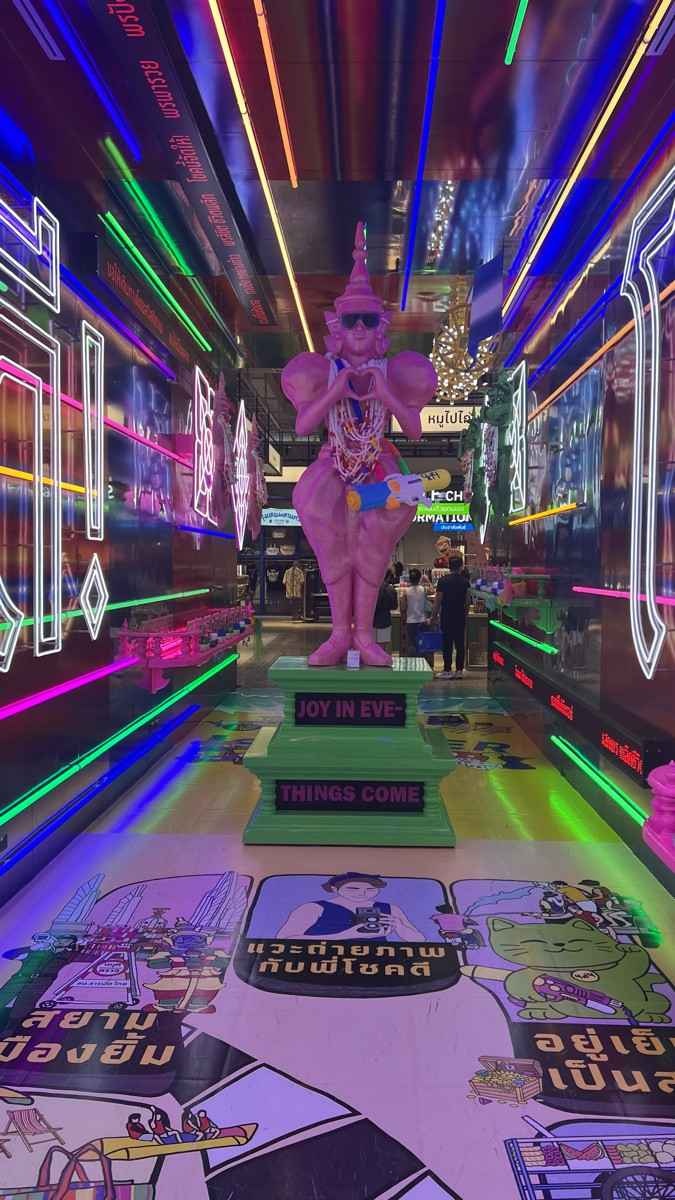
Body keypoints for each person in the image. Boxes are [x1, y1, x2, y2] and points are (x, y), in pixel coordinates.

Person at [276, 872, 425, 941]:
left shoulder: (390, 908)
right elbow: (284, 939)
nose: (362, 893)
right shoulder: (313, 908)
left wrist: (399, 925)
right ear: (334, 889)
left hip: (377, 962)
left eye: (370, 889)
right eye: (353, 888)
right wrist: (346, 935)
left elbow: (418, 940)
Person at [431, 555, 470, 679]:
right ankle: (459, 670)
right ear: (461, 566)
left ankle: (447, 670)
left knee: (447, 643)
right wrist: (465, 614)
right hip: (460, 615)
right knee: (460, 643)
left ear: (449, 566)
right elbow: (467, 601)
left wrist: (433, 616)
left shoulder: (443, 581)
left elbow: (438, 600)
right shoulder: (465, 582)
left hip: (446, 615)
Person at [402, 567, 427, 655]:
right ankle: (422, 661)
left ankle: (413, 661)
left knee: (411, 644)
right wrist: (427, 581)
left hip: (410, 621)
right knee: (422, 643)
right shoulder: (424, 590)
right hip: (422, 620)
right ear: (419, 578)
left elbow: (403, 607)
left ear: (410, 579)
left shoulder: (406, 591)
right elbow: (432, 591)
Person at [373, 570, 397, 651]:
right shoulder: (391, 590)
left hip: (372, 620)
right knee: (384, 647)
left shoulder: (372, 588)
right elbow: (394, 606)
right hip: (385, 620)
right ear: (388, 577)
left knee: (373, 646)